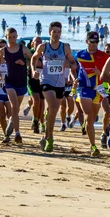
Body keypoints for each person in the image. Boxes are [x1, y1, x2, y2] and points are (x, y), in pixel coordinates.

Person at [31, 21, 76, 152]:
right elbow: (34, 58)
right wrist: (34, 70)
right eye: (54, 32)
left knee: (53, 111)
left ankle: (45, 136)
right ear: (49, 33)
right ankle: (50, 139)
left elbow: (72, 60)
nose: (56, 34)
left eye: (58, 32)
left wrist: (72, 65)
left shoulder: (65, 47)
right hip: (45, 81)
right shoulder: (43, 47)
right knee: (54, 107)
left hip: (60, 83)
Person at [0, 27, 31, 144]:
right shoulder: (3, 51)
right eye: (9, 37)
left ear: (17, 36)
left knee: (16, 108)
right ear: (6, 37)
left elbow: (33, 60)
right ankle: (17, 133)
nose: (12, 39)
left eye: (14, 37)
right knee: (14, 106)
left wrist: (24, 63)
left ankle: (11, 122)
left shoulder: (23, 48)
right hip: (9, 82)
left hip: (21, 82)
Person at [74, 32, 109, 156]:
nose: (94, 44)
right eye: (91, 42)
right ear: (86, 41)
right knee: (88, 116)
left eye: (96, 42)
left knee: (93, 118)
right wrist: (74, 78)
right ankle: (93, 146)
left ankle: (87, 126)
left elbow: (109, 72)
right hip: (84, 88)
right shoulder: (79, 54)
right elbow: (72, 67)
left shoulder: (104, 56)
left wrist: (100, 73)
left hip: (98, 88)